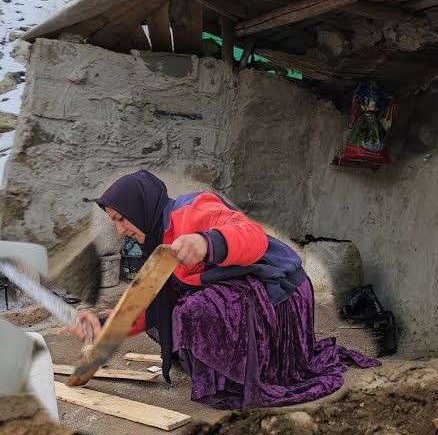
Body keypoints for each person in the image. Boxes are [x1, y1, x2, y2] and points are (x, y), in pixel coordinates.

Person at [68, 171, 378, 409]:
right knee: (182, 306)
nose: (120, 230)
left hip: (282, 292)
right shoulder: (155, 245)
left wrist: (206, 242)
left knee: (197, 309)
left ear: (140, 206)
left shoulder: (192, 210)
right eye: (114, 223)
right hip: (249, 290)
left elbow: (252, 236)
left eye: (121, 219)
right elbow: (146, 299)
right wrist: (105, 322)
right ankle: (232, 372)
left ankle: (253, 372)